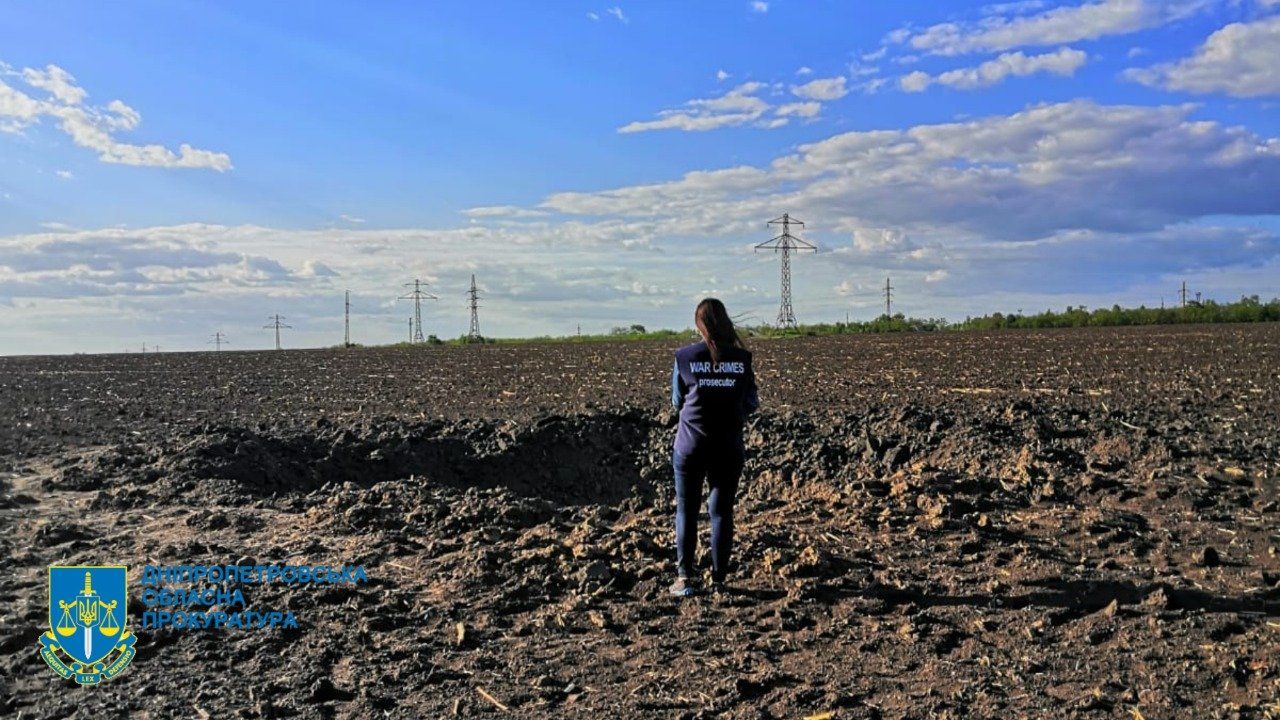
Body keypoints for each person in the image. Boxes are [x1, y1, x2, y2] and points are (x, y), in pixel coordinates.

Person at [669, 298, 759, 597]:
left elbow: (677, 401)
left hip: (690, 446)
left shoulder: (684, 357)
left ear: (700, 325)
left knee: (687, 510)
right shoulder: (742, 359)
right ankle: (719, 581)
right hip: (728, 447)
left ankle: (684, 579)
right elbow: (751, 402)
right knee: (721, 512)